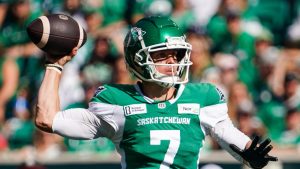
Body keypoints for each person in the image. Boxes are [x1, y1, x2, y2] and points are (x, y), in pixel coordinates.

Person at [35, 16, 277, 169]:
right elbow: (47, 119)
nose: (173, 62)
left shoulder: (204, 98)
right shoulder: (115, 101)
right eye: (162, 55)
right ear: (138, 60)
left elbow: (233, 139)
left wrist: (253, 156)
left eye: (177, 54)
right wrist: (55, 65)